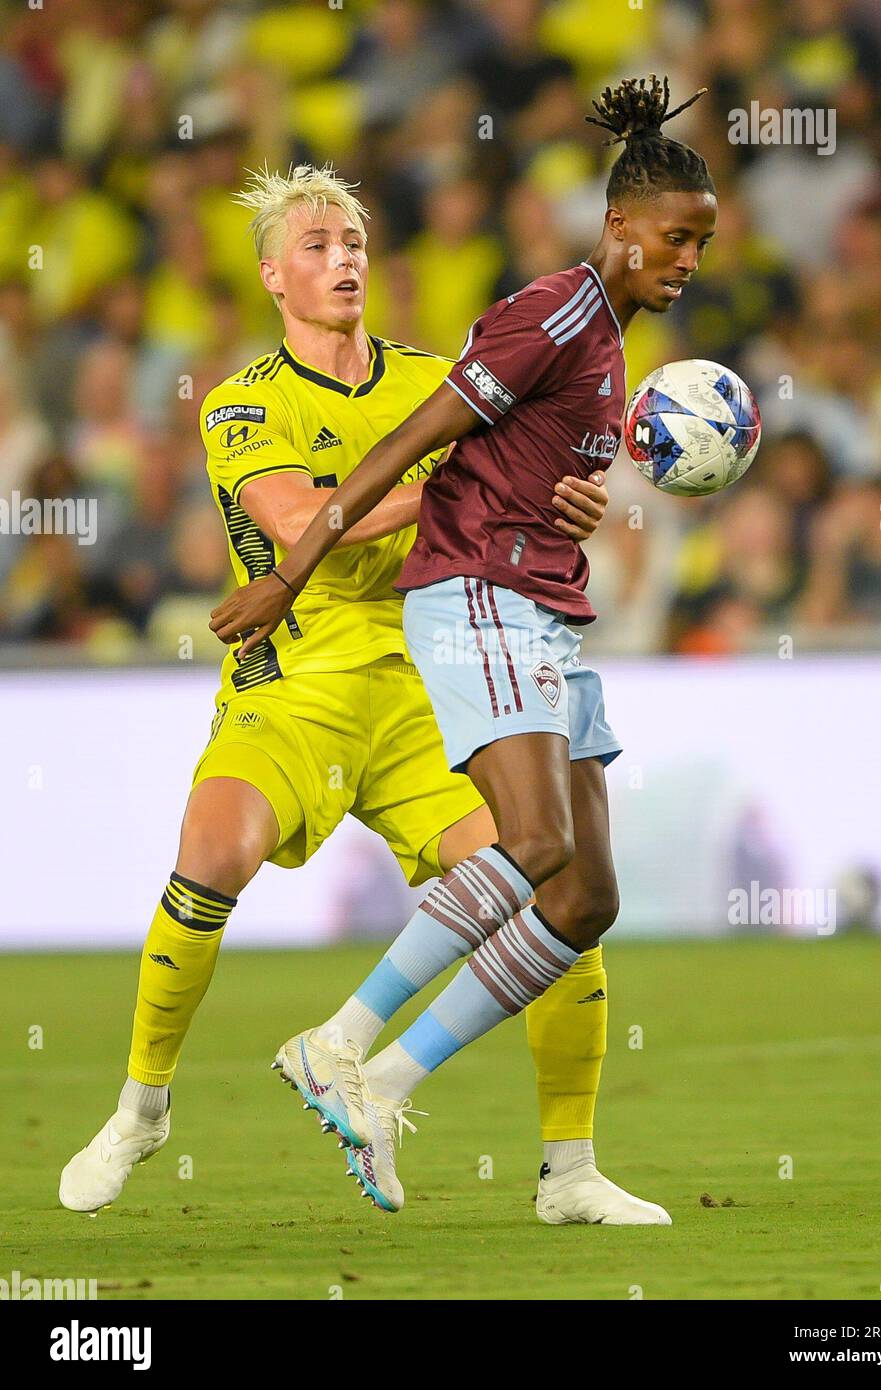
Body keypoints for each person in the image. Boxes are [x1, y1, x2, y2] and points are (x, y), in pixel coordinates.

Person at [58, 159, 658, 1226]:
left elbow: (542, 481)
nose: (343, 262)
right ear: (271, 279)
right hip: (292, 688)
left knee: (555, 892)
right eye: (318, 247)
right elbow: (302, 523)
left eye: (355, 246)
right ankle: (141, 1108)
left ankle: (568, 1170)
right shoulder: (244, 403)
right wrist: (467, 480)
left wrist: (560, 500)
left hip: (429, 682)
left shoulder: (432, 375)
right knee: (208, 860)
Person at [211, 75, 718, 1216]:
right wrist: (287, 573)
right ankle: (337, 1036)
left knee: (586, 899)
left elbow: (516, 467)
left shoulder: (613, 344)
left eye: (700, 244)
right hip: (477, 598)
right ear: (617, 225)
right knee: (531, 840)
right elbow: (408, 441)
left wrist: (573, 507)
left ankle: (390, 1087)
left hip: (546, 602)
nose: (686, 259)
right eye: (672, 237)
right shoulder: (553, 313)